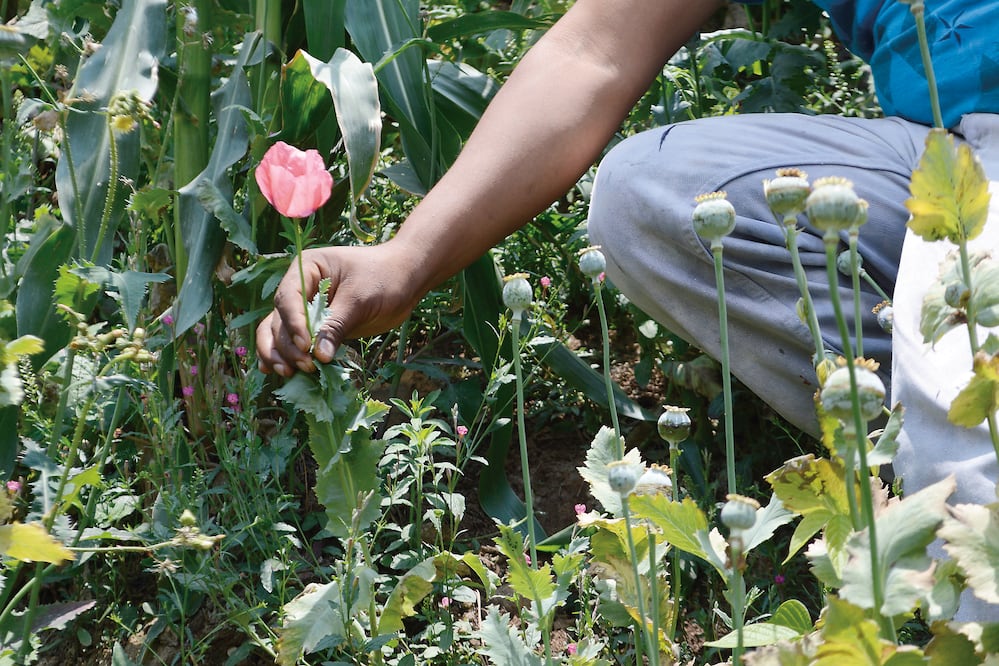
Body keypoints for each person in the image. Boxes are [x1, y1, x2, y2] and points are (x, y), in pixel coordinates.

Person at [256, 0, 998, 547]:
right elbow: (596, 49)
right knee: (651, 193)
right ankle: (920, 481)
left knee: (961, 405)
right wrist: (407, 258)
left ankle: (957, 515)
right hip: (945, 152)